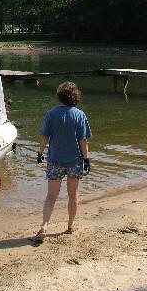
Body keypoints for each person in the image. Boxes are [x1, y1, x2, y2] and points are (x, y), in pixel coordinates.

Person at [36, 81, 92, 237]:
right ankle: (70, 225)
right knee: (73, 194)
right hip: (74, 161)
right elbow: (83, 141)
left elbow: (45, 137)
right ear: (75, 97)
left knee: (51, 195)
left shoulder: (51, 114)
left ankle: (45, 225)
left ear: (59, 96)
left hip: (55, 160)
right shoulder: (79, 115)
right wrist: (86, 159)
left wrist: (40, 153)